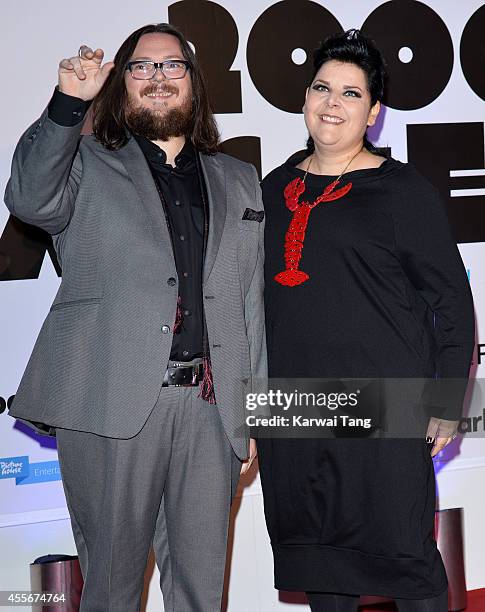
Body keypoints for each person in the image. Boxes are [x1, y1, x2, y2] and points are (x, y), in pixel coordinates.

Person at [4, 22, 265, 612]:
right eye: (141, 67)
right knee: (113, 590)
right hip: (108, 403)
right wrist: (70, 102)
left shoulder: (238, 179)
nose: (157, 77)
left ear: (194, 84)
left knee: (202, 590)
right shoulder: (85, 163)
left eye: (172, 66)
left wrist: (251, 414)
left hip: (209, 408)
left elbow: (249, 306)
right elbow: (29, 196)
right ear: (120, 84)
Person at [257, 29, 474, 612]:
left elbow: (452, 302)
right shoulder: (271, 190)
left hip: (386, 401)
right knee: (320, 568)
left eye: (351, 94)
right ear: (304, 98)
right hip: (291, 407)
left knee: (408, 565)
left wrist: (447, 403)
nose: (333, 103)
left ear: (374, 112)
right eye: (322, 88)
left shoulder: (402, 191)